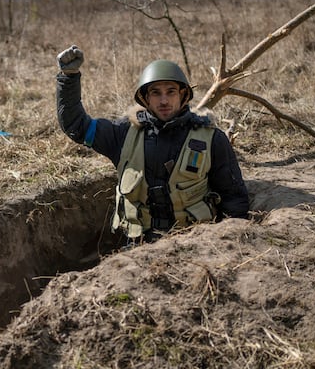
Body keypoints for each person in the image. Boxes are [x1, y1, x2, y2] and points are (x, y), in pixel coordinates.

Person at [55, 44, 249, 244]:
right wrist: (68, 77)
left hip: (196, 244)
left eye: (171, 92)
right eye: (156, 93)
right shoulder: (123, 133)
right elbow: (76, 125)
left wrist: (228, 246)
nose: (164, 100)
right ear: (146, 98)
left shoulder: (211, 139)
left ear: (183, 95)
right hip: (140, 249)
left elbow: (234, 199)